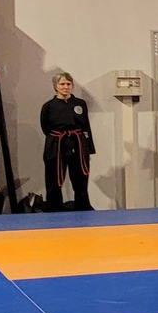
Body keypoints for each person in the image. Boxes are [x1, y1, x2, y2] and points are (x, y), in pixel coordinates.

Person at [41, 71, 94, 210]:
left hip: (78, 144)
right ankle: (54, 209)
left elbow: (86, 126)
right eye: (62, 84)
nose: (66, 87)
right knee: (54, 180)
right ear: (55, 86)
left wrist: (88, 149)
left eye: (68, 84)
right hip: (56, 145)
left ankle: (83, 208)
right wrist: (59, 137)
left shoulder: (80, 104)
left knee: (80, 180)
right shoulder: (48, 106)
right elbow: (45, 128)